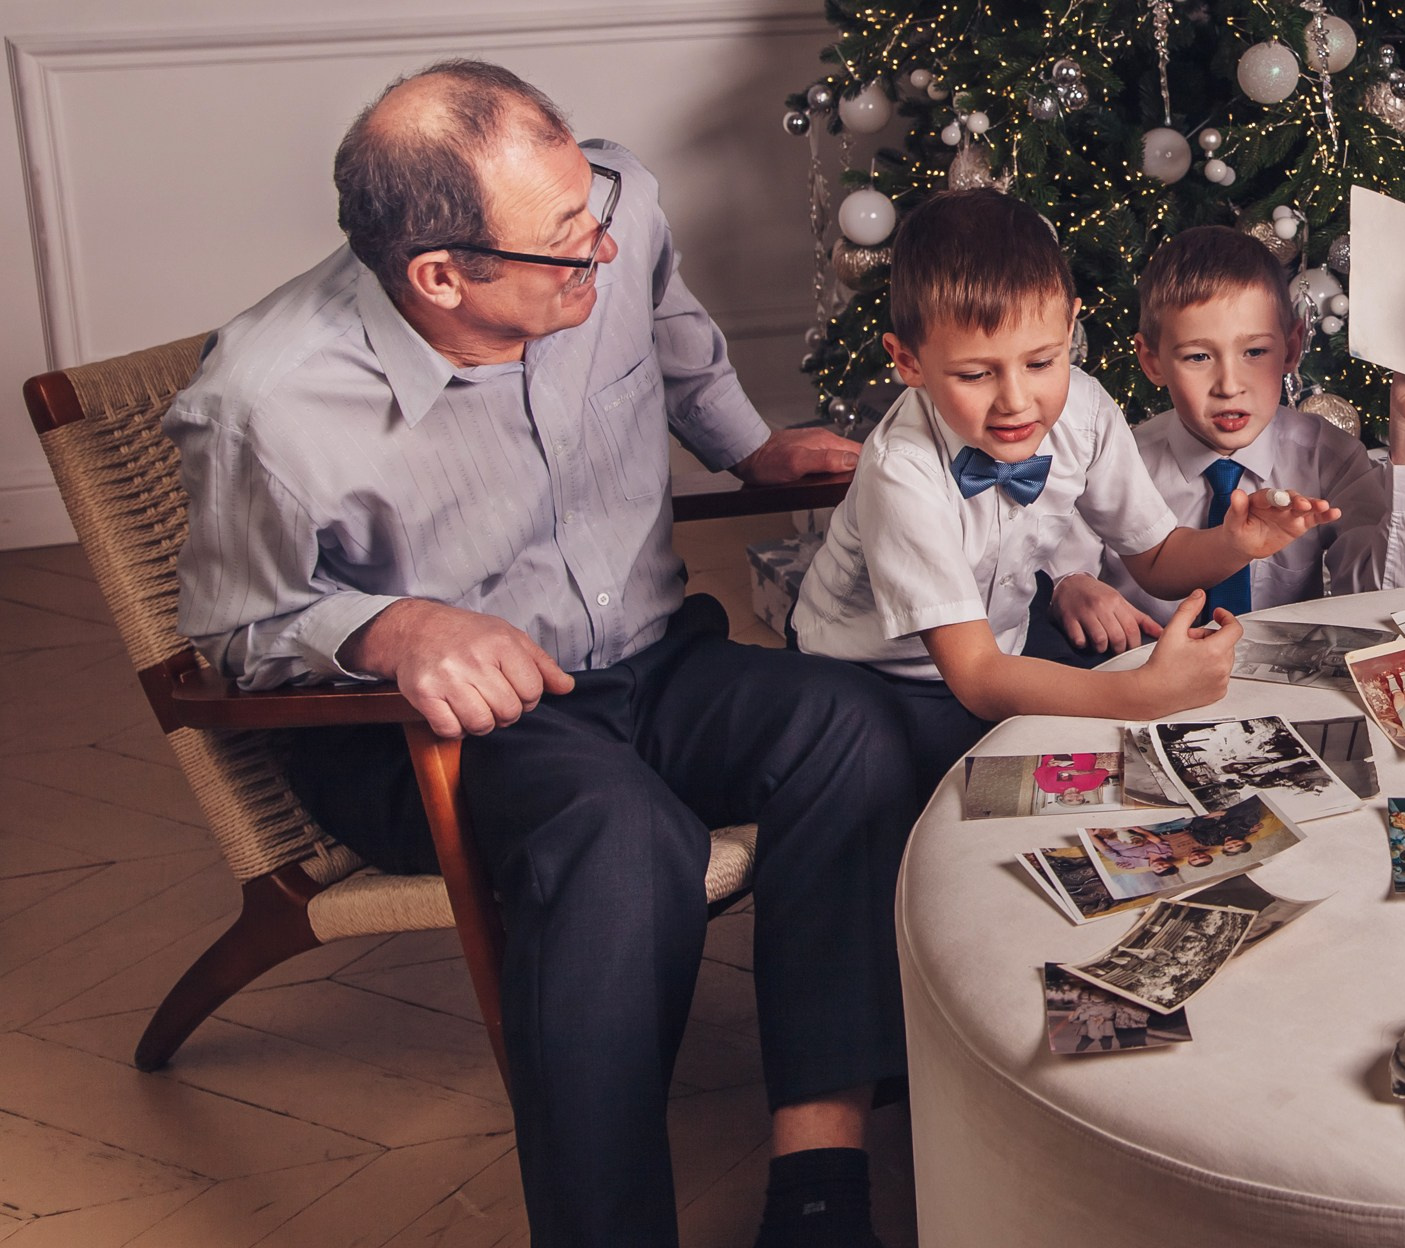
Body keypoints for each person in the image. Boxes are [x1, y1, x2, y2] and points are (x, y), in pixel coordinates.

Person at [166, 61, 906, 1248]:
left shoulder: (613, 208)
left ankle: (818, 1185)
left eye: (591, 212)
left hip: (647, 655)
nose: (600, 251)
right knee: (625, 839)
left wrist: (749, 447)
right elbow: (232, 635)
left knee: (855, 730)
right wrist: (394, 624)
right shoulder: (267, 402)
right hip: (440, 731)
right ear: (440, 274)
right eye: (565, 243)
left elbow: (668, 325)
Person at [788, 192, 1340, 794]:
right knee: (951, 790)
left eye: (1041, 361)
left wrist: (1235, 543)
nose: (1016, 401)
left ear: (1070, 328)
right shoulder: (903, 469)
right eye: (975, 374)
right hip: (878, 672)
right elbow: (974, 676)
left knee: (1135, 759)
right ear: (908, 361)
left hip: (1004, 642)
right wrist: (1138, 694)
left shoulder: (1084, 409)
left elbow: (1156, 561)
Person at [1047, 225, 1405, 648]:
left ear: (1291, 347)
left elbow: (1398, 601)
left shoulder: (1326, 456)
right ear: (1153, 360)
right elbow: (1055, 563)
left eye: (1254, 352)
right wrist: (1070, 585)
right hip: (1143, 683)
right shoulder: (1117, 461)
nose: (1230, 385)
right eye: (1198, 356)